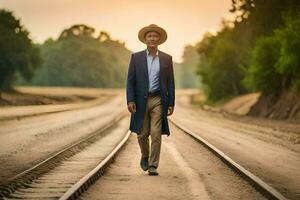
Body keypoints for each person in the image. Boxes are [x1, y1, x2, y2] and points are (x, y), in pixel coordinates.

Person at [126, 24, 175, 176]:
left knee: (155, 133)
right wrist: (130, 100)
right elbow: (130, 80)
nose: (152, 38)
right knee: (142, 134)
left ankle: (153, 165)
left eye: (155, 36)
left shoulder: (167, 59)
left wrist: (171, 103)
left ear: (159, 39)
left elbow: (171, 83)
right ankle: (145, 155)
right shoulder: (136, 57)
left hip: (158, 100)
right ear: (145, 39)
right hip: (140, 101)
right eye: (150, 36)